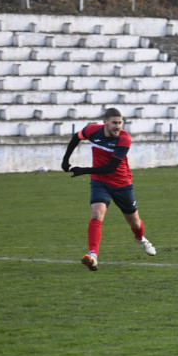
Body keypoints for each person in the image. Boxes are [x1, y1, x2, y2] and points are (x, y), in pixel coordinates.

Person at [60, 107, 156, 271]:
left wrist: (84, 170)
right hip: (100, 183)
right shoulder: (92, 130)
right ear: (104, 122)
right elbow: (76, 137)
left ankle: (141, 239)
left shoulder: (124, 139)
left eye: (120, 123)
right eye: (114, 123)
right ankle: (93, 256)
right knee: (97, 214)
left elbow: (111, 167)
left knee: (134, 222)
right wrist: (65, 160)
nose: (118, 126)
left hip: (122, 184)